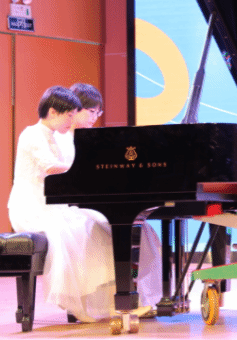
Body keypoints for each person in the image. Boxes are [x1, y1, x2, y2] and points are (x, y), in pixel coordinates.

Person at [7, 86, 159, 323]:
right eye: (69, 115)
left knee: (104, 228)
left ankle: (119, 300)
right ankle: (85, 305)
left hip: (55, 206)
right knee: (86, 230)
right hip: (33, 208)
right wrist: (90, 170)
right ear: (53, 112)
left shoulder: (53, 136)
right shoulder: (32, 134)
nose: (72, 121)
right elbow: (51, 168)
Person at [55, 83, 162, 315]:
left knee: (144, 231)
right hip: (69, 206)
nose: (95, 117)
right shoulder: (60, 140)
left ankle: (141, 296)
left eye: (98, 112)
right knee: (103, 229)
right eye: (91, 111)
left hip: (92, 202)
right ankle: (107, 302)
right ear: (74, 109)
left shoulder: (95, 140)